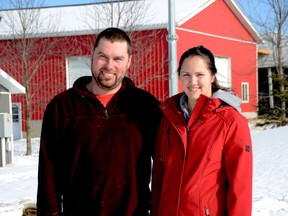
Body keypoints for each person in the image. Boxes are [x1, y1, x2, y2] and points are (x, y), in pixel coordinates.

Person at [37, 27, 162, 216]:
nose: (109, 65)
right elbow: (48, 174)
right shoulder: (61, 108)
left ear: (129, 61)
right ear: (92, 56)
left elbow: (167, 164)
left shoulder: (146, 106)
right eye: (102, 56)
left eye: (118, 59)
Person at [151, 45, 253, 216]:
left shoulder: (231, 121)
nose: (192, 82)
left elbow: (240, 187)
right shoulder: (168, 118)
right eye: (186, 75)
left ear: (212, 76)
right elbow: (159, 178)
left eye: (200, 75)